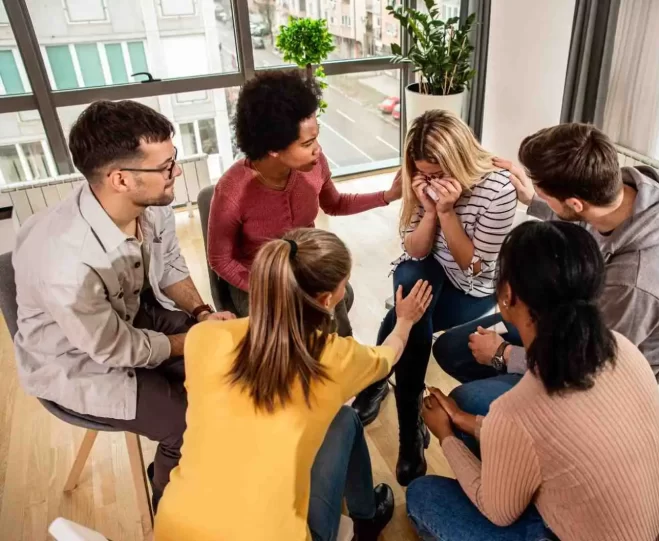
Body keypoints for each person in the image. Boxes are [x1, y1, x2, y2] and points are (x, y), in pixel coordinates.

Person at [12, 100, 235, 508]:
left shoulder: (147, 205)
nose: (177, 172)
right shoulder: (66, 263)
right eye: (166, 166)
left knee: (228, 363)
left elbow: (168, 263)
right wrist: (195, 339)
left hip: (128, 319)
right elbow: (114, 349)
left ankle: (206, 461)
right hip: (79, 364)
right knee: (186, 423)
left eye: (174, 159)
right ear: (120, 179)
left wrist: (202, 315)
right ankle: (172, 512)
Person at [408, 221, 659, 541]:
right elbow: (552, 437)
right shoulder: (623, 347)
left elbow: (498, 511)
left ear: (507, 295)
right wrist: (464, 420)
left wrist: (446, 435)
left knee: (423, 496)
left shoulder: (518, 410)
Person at [154, 229, 433, 541]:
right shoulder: (333, 357)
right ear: (326, 300)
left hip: (175, 529)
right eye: (344, 287)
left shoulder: (203, 338)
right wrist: (406, 320)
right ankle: (365, 521)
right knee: (345, 419)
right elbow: (389, 354)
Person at [434, 123, 659, 404]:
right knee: (451, 347)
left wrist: (504, 355)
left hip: (596, 381)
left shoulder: (635, 284)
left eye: (544, 193)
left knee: (466, 401)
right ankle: (515, 395)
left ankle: (526, 419)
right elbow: (580, 221)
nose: (538, 193)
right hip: (567, 322)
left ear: (575, 203)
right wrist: (534, 200)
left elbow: (587, 366)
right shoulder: (617, 196)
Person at [352, 110, 517, 487]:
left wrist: (446, 212)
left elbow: (473, 268)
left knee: (406, 314)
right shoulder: (419, 179)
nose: (431, 181)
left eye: (439, 174)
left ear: (459, 161)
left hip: (471, 288)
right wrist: (428, 211)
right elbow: (414, 249)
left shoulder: (497, 189)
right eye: (424, 173)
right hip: (429, 272)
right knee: (410, 284)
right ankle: (411, 428)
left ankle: (380, 379)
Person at [207, 69, 402, 328]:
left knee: (331, 306)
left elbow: (335, 203)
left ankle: (344, 360)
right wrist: (269, 288)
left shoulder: (314, 165)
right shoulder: (233, 190)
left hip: (305, 270)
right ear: (273, 148)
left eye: (316, 137)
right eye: (307, 143)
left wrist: (387, 196)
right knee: (312, 317)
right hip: (257, 281)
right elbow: (220, 259)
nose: (318, 149)